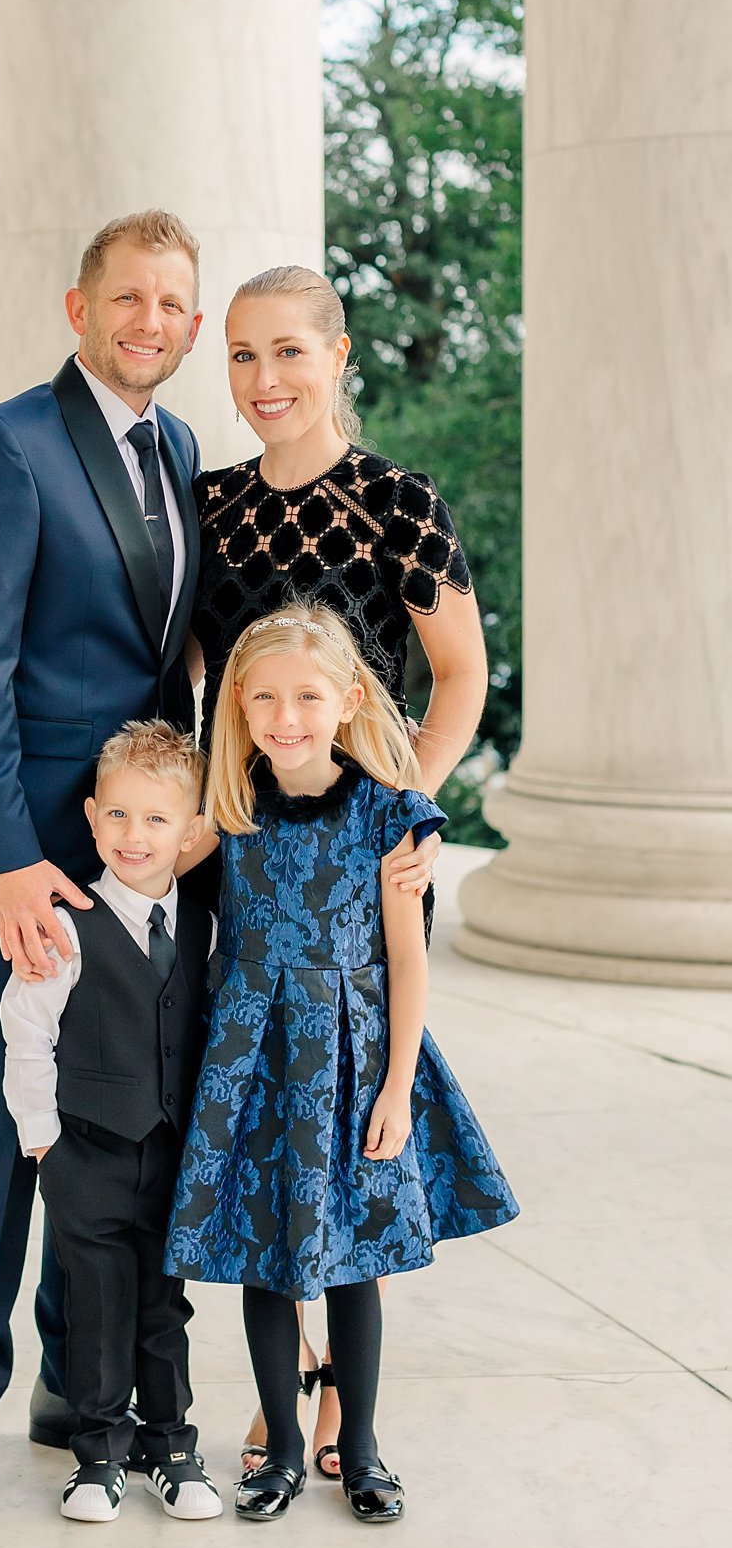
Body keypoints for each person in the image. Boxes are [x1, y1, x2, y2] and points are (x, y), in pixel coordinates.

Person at [0, 210, 205, 1518]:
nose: (151, 321)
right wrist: (9, 860)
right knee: (2, 1125)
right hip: (16, 843)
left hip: (132, 851)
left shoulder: (180, 445)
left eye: (173, 304)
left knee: (102, 1125)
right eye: (128, 297)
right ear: (79, 309)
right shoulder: (6, 447)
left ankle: (78, 1391)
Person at [189, 263, 490, 1477]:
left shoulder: (397, 501)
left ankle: (336, 1403)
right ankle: (290, 1362)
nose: (266, 381)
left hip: (363, 846)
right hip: (251, 837)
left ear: (339, 354)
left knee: (348, 1095)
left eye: (289, 354)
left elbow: (460, 673)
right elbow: (201, 681)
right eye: (245, 357)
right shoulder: (210, 503)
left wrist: (413, 801)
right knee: (267, 1105)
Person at [166, 603, 519, 1524]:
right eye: (266, 698)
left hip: (353, 1057)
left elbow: (408, 957)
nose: (287, 716)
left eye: (308, 697)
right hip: (250, 1058)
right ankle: (280, 1448)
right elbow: (151, 860)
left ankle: (358, 1446)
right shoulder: (228, 807)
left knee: (358, 1255)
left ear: (349, 699)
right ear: (237, 706)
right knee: (261, 1254)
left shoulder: (386, 815)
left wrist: (399, 1084)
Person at [0, 720, 222, 1523]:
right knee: (97, 1303)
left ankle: (172, 1445)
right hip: (84, 1152)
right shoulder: (65, 923)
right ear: (92, 818)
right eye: (119, 817)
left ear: (191, 831)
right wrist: (42, 1141)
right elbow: (27, 1031)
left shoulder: (203, 923)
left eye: (158, 820)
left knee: (165, 1305)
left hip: (173, 1154)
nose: (135, 836)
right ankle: (97, 1455)